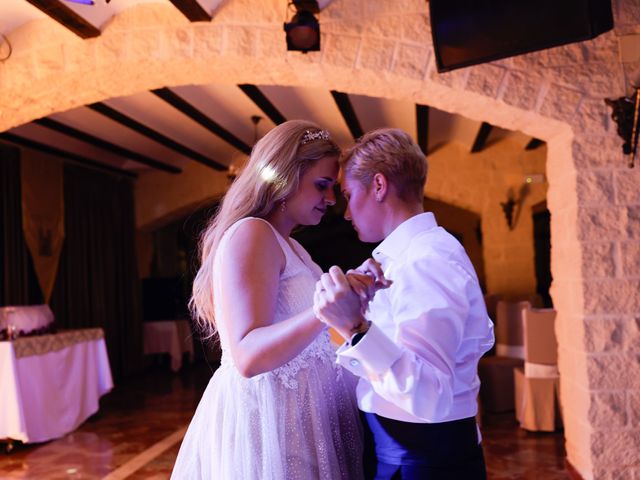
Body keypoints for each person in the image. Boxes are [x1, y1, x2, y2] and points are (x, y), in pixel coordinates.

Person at [171, 120, 370, 479]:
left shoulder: (292, 245)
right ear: (284, 178)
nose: (330, 200)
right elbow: (247, 355)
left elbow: (315, 339)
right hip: (268, 421)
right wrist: (324, 309)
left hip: (299, 417)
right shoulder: (252, 233)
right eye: (322, 186)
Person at [313, 128, 495, 479]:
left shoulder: (426, 260)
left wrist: (356, 329)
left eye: (349, 195)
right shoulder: (405, 259)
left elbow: (431, 395)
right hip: (407, 451)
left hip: (423, 460)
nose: (347, 214)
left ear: (379, 186)